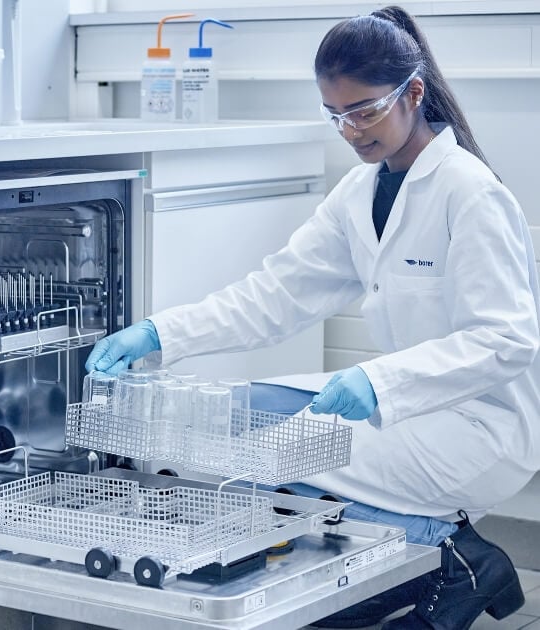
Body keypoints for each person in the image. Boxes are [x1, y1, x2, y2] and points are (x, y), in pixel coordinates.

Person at [86, 5, 539, 629]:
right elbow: (276, 295)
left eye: (364, 110)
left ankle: (454, 555)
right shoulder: (360, 193)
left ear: (414, 91)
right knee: (235, 415)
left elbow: (507, 340)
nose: (351, 131)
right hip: (403, 409)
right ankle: (387, 574)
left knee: (272, 455)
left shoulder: (471, 192)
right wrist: (164, 333)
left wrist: (379, 382)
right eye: (336, 116)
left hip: (480, 426)